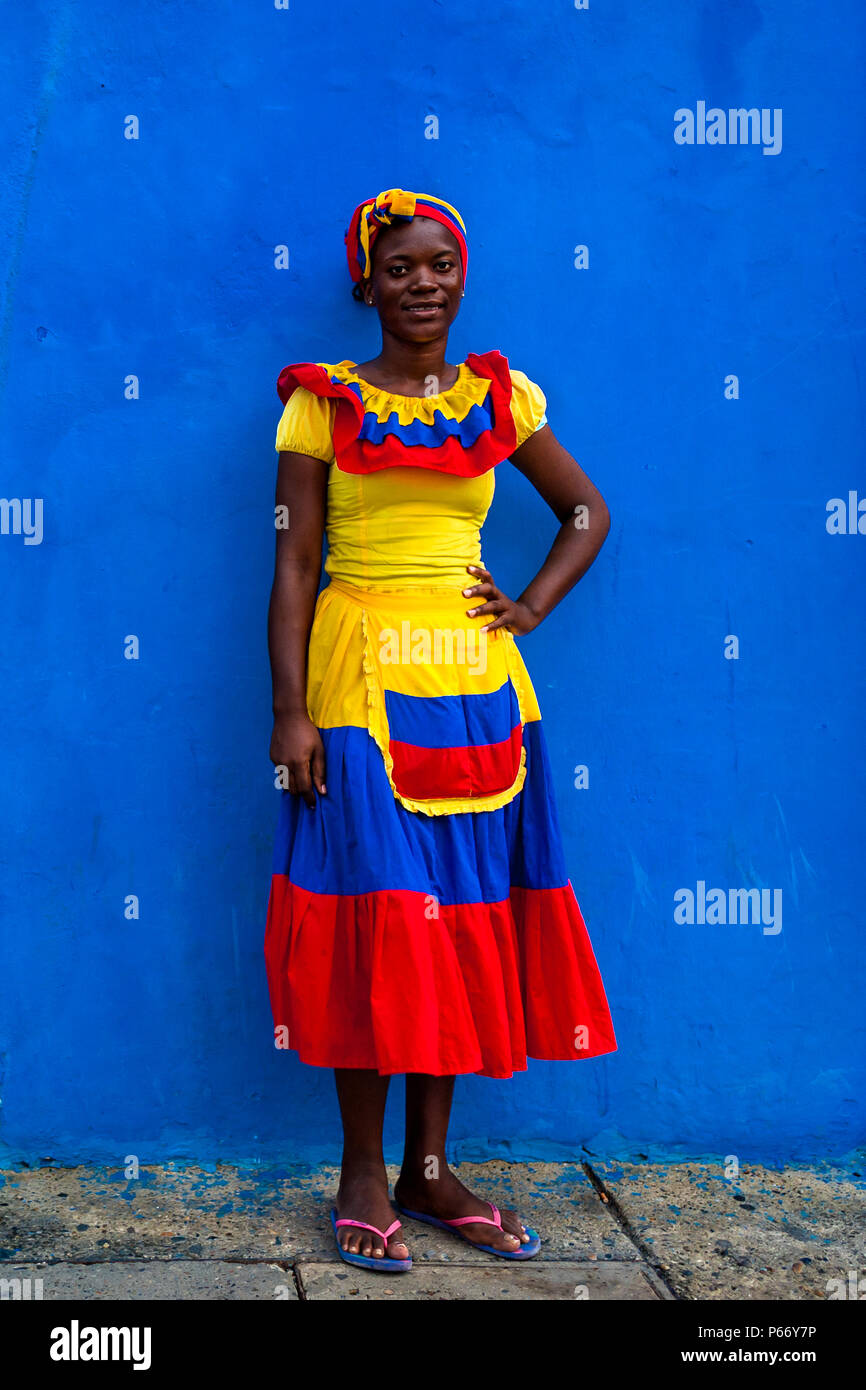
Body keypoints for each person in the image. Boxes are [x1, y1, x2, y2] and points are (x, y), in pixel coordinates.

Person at [265, 187, 617, 1273]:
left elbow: (584, 510)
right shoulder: (320, 406)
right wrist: (289, 711)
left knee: (459, 915)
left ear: (460, 276)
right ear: (363, 282)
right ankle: (361, 1173)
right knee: (382, 916)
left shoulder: (499, 402)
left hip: (477, 689)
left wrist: (530, 605)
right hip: (360, 687)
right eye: (400, 265)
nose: (422, 282)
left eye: (439, 264)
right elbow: (291, 562)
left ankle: (429, 1169)